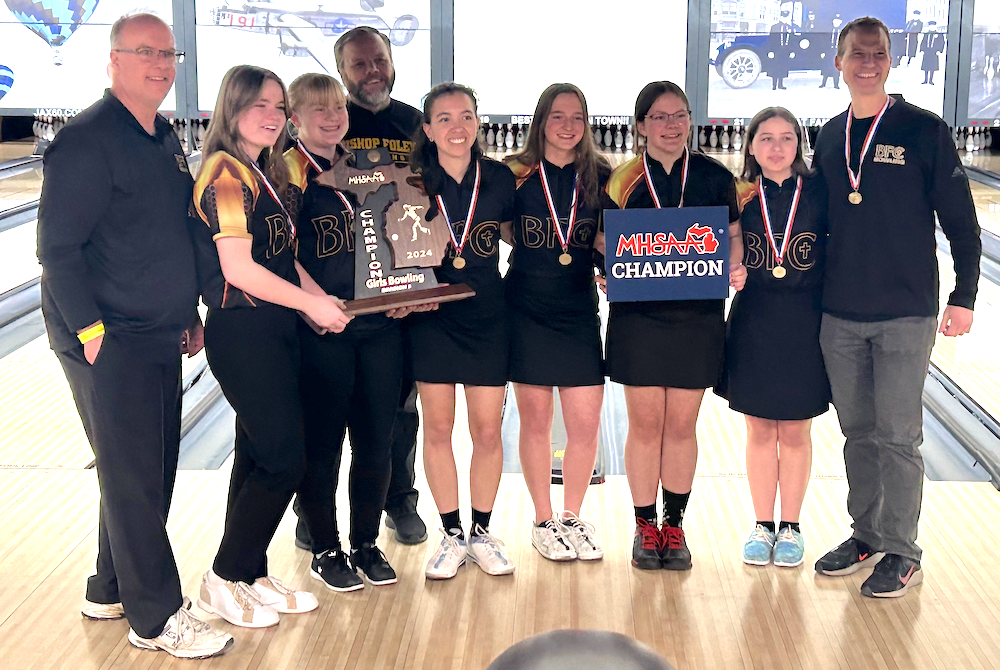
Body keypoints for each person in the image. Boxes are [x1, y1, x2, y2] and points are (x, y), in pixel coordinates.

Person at [36, 12, 232, 659]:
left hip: (156, 329)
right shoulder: (85, 142)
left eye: (168, 53)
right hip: (107, 334)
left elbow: (164, 234)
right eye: (146, 52)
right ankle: (154, 618)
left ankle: (109, 585)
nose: (161, 64)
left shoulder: (161, 135)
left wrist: (187, 312)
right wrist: (91, 330)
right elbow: (56, 250)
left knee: (142, 470)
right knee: (135, 476)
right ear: (115, 60)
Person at [812, 17, 981, 597]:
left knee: (898, 436)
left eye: (877, 53)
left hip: (906, 314)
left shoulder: (923, 131)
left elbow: (962, 223)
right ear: (839, 61)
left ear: (890, 61)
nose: (866, 62)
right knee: (858, 432)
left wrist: (964, 296)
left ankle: (903, 550)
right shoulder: (830, 136)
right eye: (856, 53)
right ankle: (867, 534)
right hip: (840, 314)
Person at [191, 65, 352, 627]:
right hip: (244, 333)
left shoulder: (259, 170)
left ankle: (249, 573)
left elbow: (283, 260)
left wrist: (318, 300)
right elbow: (240, 268)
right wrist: (310, 305)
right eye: (259, 105)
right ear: (231, 108)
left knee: (258, 456)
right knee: (286, 459)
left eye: (279, 107)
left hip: (276, 330)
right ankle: (223, 577)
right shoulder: (226, 177)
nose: (273, 116)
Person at [285, 72, 420, 592]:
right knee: (322, 444)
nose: (331, 117)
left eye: (336, 108)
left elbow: (397, 232)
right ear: (295, 117)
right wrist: (315, 303)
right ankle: (325, 547)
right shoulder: (289, 173)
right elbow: (280, 254)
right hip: (321, 329)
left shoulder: (368, 167)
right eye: (317, 110)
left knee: (376, 440)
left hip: (379, 326)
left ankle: (366, 542)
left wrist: (406, 288)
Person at [604, 81, 743, 571]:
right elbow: (602, 241)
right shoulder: (621, 179)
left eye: (679, 115)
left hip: (698, 318)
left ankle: (675, 524)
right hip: (638, 318)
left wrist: (735, 265)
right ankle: (644, 525)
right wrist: (611, 265)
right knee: (645, 425)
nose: (671, 125)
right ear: (641, 126)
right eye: (659, 117)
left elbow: (732, 236)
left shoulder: (713, 176)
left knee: (682, 425)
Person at [407, 82, 518, 580]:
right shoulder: (408, 181)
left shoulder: (498, 179)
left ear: (478, 123)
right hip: (430, 316)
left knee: (487, 430)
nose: (458, 127)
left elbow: (522, 238)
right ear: (428, 129)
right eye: (446, 118)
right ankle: (451, 533)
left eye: (467, 116)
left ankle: (482, 530)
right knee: (436, 427)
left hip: (487, 313)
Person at [715, 107, 830, 569]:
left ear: (799, 145)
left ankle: (793, 526)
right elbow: (723, 241)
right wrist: (731, 265)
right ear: (750, 146)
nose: (777, 147)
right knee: (760, 429)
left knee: (797, 430)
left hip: (807, 322)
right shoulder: (739, 194)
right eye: (766, 138)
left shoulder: (821, 191)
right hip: (755, 319)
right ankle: (763, 525)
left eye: (787, 138)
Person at [503, 84, 610, 562]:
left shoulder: (602, 175)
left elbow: (613, 240)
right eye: (558, 116)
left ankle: (573, 517)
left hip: (578, 309)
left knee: (585, 423)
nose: (568, 126)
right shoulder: (515, 173)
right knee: (537, 421)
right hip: (525, 306)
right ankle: (544, 521)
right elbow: (500, 227)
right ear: (540, 121)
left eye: (578, 117)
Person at [331, 25, 428, 545]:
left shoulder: (415, 123)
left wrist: (413, 288)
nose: (372, 71)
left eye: (379, 61)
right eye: (359, 64)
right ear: (342, 72)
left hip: (397, 290)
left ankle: (400, 499)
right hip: (336, 289)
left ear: (392, 62)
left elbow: (431, 206)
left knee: (398, 405)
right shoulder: (330, 122)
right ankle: (315, 515)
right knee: (333, 406)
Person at [766, 10, 794, 90]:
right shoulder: (775, 27)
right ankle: (774, 85)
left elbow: (792, 40)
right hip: (776, 51)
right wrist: (771, 51)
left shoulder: (789, 28)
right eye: (783, 17)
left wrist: (791, 51)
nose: (784, 19)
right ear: (780, 17)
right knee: (775, 68)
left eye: (786, 17)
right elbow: (771, 40)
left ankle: (780, 84)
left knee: (783, 68)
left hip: (785, 52)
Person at [819, 15, 843, 89]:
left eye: (838, 22)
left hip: (837, 52)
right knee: (826, 68)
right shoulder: (829, 31)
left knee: (836, 69)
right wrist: (823, 51)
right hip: (828, 52)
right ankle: (823, 83)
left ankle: (836, 84)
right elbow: (824, 42)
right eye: (835, 22)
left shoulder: (842, 32)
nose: (836, 23)